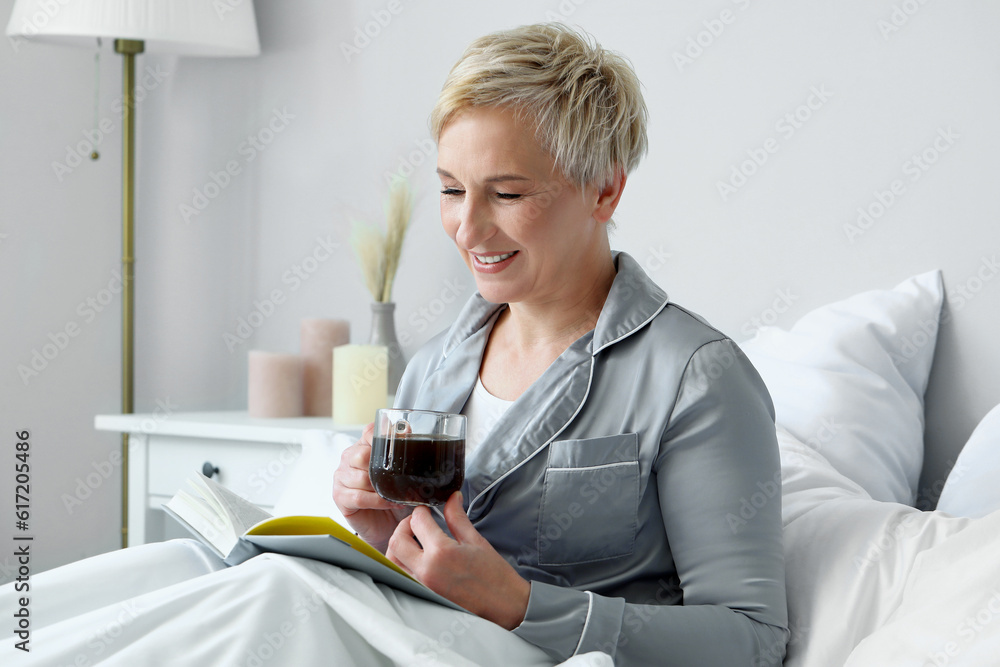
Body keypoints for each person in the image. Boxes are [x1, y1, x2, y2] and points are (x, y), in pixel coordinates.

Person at [333, 22, 789, 666]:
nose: (466, 229)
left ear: (604, 189)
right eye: (452, 190)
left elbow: (752, 641)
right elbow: (428, 588)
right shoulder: (435, 364)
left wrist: (522, 606)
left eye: (508, 193)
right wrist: (388, 541)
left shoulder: (697, 377)